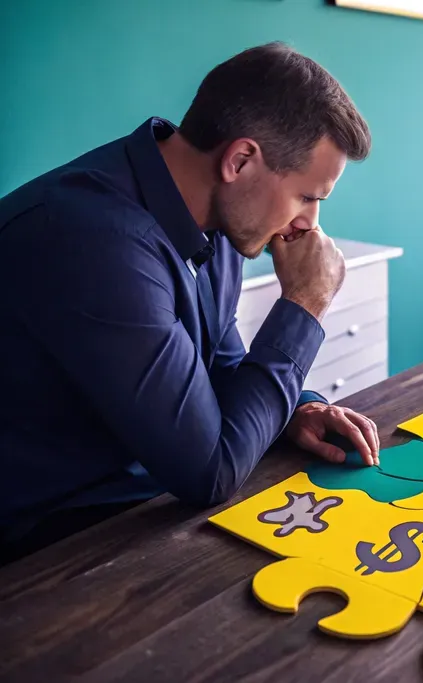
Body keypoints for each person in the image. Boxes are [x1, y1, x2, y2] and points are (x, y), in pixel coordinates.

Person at [0, 42, 380, 560]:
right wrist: (306, 304)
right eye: (307, 196)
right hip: (46, 548)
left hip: (140, 502)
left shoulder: (213, 222)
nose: (309, 223)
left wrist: (297, 409)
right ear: (240, 159)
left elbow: (218, 372)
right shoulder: (93, 240)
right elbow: (211, 471)